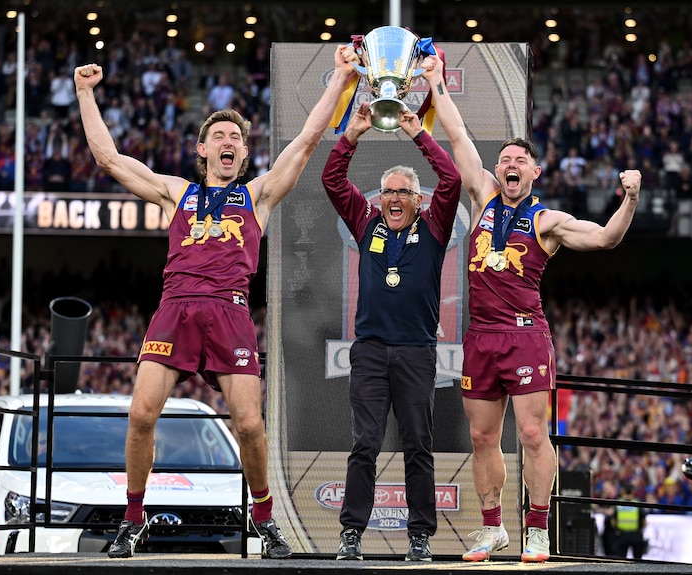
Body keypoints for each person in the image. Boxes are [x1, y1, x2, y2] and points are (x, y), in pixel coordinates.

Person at [72, 45, 357, 559]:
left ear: (244, 155)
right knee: (140, 415)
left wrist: (338, 79)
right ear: (201, 150)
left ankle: (265, 520)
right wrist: (84, 93)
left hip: (230, 310)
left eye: (237, 139)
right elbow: (107, 158)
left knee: (249, 423)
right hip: (176, 305)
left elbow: (309, 138)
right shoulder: (177, 193)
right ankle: (133, 521)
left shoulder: (258, 196)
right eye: (219, 136)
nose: (229, 142)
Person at [422, 55, 642, 563]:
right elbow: (457, 138)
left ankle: (538, 529)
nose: (511, 165)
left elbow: (607, 238)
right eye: (505, 160)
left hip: (524, 335)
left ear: (535, 171)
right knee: (480, 437)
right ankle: (493, 526)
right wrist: (435, 84)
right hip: (481, 337)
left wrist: (629, 197)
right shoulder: (481, 199)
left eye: (520, 160)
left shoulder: (548, 219)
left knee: (530, 433)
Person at [321, 102, 462, 562]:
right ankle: (351, 534)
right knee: (364, 444)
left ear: (418, 200)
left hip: (417, 352)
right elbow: (331, 179)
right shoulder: (366, 223)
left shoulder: (437, 225)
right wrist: (352, 134)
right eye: (388, 193)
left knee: (417, 445)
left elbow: (453, 180)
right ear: (379, 199)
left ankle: (420, 536)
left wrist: (419, 134)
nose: (395, 199)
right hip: (370, 352)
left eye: (404, 192)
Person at [611, 484, 647, 559]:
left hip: (622, 534)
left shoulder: (618, 504)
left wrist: (617, 529)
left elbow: (613, 521)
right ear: (633, 492)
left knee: (620, 560)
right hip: (635, 534)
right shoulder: (637, 503)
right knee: (637, 560)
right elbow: (644, 521)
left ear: (623, 492)